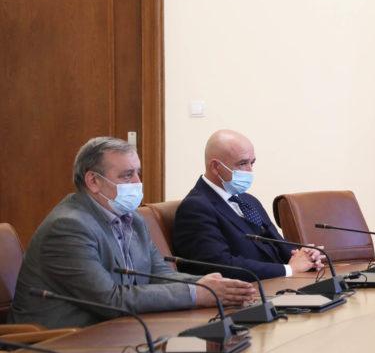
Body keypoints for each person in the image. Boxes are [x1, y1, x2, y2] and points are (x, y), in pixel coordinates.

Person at [10, 137, 256, 328]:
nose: (138, 182)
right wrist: (197, 294)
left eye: (138, 173)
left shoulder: (133, 219)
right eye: (127, 175)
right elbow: (110, 300)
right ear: (93, 181)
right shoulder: (68, 227)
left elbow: (159, 275)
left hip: (117, 331)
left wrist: (211, 286)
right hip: (57, 343)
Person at [173, 130, 323, 280]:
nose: (250, 171)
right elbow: (219, 265)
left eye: (252, 163)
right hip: (251, 289)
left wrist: (304, 256)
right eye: (243, 163)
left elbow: (276, 241)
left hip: (280, 282)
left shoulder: (248, 200)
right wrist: (288, 269)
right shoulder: (195, 208)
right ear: (215, 167)